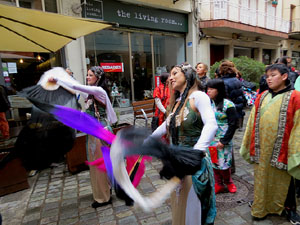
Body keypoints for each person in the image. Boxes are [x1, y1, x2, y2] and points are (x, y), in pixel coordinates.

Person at [151, 63, 218, 225]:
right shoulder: (178, 102)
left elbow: (211, 124)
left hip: (193, 165)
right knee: (180, 205)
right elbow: (165, 125)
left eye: (175, 73)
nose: (170, 78)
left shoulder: (199, 97)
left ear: (187, 76)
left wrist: (196, 151)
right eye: (170, 74)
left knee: (192, 208)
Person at [240, 63, 300, 224]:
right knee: (260, 179)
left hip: (283, 149)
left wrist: (295, 151)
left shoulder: (295, 97)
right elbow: (251, 120)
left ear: (284, 76)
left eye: (273, 75)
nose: (269, 79)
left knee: (287, 183)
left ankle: (290, 210)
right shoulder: (262, 95)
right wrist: (248, 142)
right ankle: (261, 206)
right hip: (261, 148)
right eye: (267, 76)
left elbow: (298, 125)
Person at [49, 66, 117, 208]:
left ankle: (103, 197)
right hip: (94, 131)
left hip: (99, 132)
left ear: (97, 78)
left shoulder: (99, 91)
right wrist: (68, 76)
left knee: (98, 164)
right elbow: (77, 88)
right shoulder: (91, 93)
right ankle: (106, 189)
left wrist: (58, 78)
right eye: (87, 75)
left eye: (90, 75)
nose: (87, 77)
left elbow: (76, 86)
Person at [206, 79, 238, 194]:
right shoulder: (208, 103)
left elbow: (233, 124)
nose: (208, 91)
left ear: (218, 90)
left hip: (223, 138)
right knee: (213, 161)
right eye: (207, 89)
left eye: (211, 89)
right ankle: (218, 184)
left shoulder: (228, 104)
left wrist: (224, 140)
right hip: (211, 138)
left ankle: (229, 182)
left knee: (224, 162)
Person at [219, 61, 245, 130]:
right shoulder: (237, 80)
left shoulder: (222, 82)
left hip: (227, 111)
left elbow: (223, 98)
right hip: (237, 109)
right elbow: (241, 96)